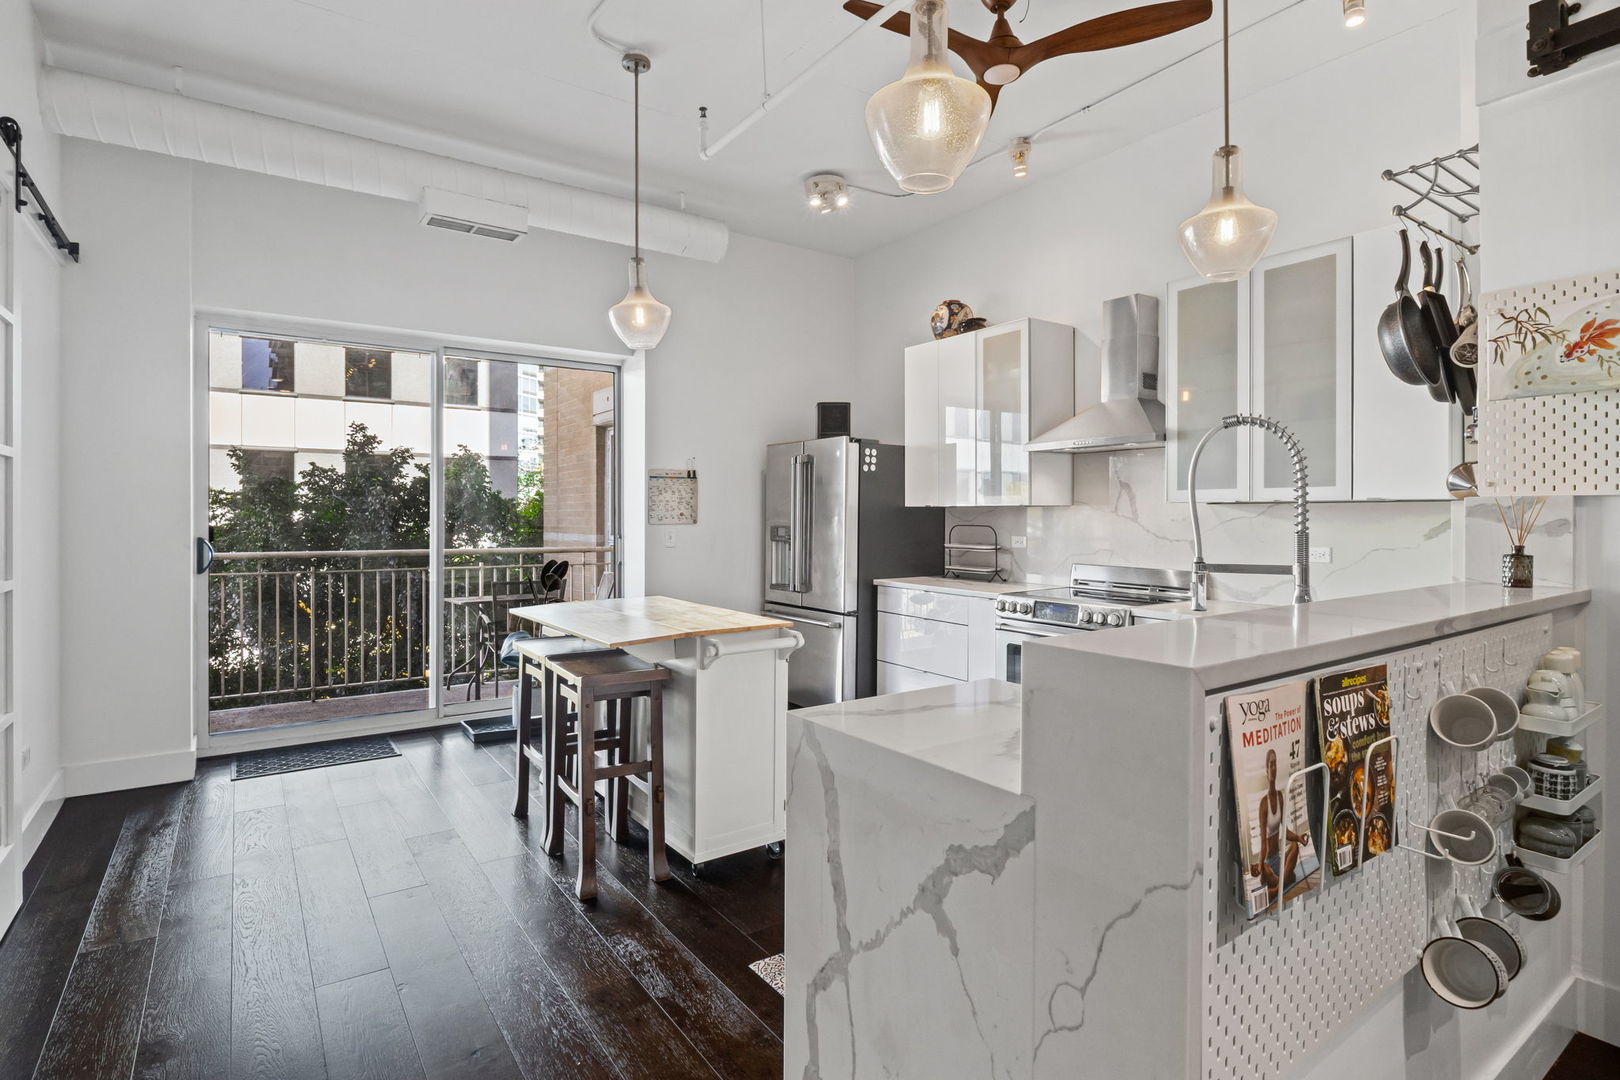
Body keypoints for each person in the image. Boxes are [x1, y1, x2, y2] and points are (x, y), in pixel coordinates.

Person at [1256, 748, 1308, 901]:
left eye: (1275, 764)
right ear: (1266, 769)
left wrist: (1299, 838)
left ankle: (1277, 889)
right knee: (1284, 874)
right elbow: (1263, 844)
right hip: (1268, 863)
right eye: (1270, 764)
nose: (1273, 768)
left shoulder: (1280, 796)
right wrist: (1260, 867)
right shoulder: (1263, 804)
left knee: (1294, 847)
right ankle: (1286, 879)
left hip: (1278, 859)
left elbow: (1285, 831)